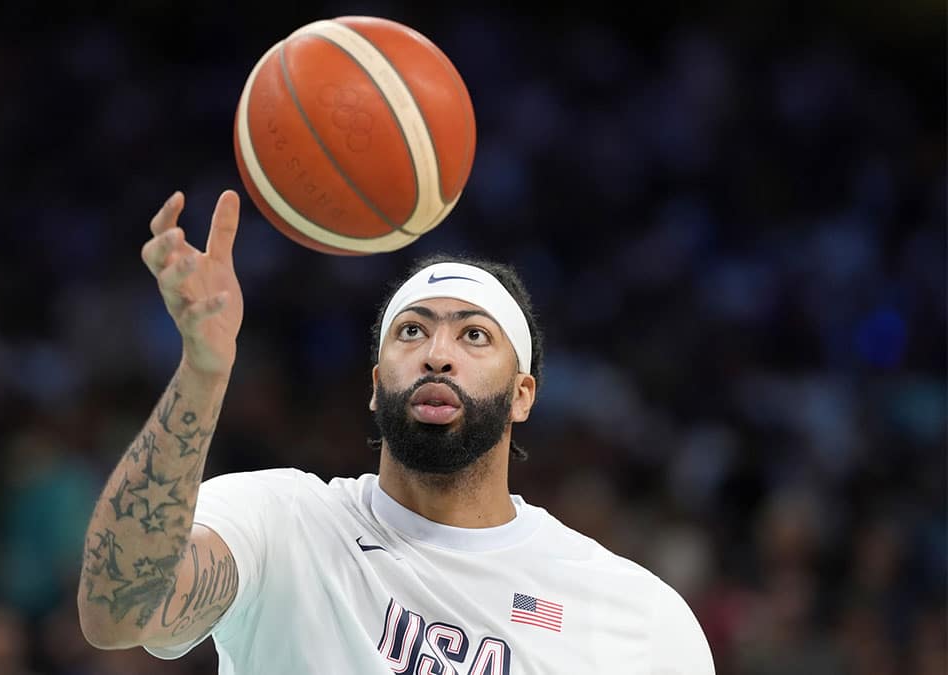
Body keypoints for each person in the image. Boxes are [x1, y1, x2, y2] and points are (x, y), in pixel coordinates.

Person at [77, 190, 716, 674]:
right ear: (378, 383)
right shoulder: (282, 522)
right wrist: (203, 370)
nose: (438, 354)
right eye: (412, 330)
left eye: (474, 335)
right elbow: (119, 612)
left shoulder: (636, 618)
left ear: (523, 394)